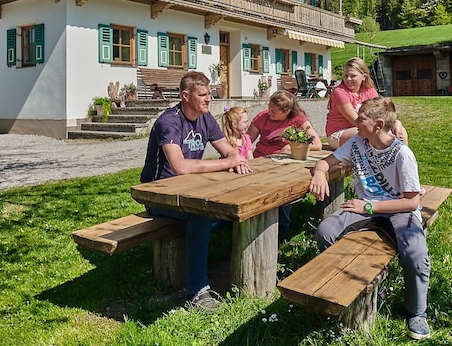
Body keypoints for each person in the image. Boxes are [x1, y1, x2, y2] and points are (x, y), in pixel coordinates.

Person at [310, 97, 430, 340]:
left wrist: (369, 206)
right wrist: (320, 173)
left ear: (378, 124)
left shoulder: (402, 154)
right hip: (365, 208)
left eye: (361, 120)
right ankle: (346, 287)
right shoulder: (357, 141)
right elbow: (325, 162)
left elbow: (412, 202)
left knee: (416, 253)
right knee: (326, 231)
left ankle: (416, 313)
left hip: (397, 211)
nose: (355, 123)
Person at [140, 71, 251, 312]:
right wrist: (227, 163)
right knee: (201, 213)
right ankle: (197, 292)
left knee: (236, 202)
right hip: (159, 195)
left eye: (209, 94)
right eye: (202, 95)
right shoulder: (168, 121)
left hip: (191, 190)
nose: (208, 99)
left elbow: (230, 150)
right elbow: (179, 167)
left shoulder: (206, 117)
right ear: (185, 96)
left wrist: (235, 159)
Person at [247, 90, 322, 240]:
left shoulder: (298, 118)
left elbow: (317, 143)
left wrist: (292, 146)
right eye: (269, 108)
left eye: (274, 111)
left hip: (284, 163)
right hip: (262, 160)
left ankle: (281, 227)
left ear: (286, 111)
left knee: (283, 188)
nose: (269, 113)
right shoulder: (262, 117)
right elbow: (248, 141)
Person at [326, 57, 408, 149]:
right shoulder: (339, 92)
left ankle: (402, 158)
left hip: (365, 127)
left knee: (400, 131)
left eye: (353, 76)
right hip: (340, 133)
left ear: (364, 77)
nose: (348, 79)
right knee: (371, 134)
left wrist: (395, 123)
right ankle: (384, 159)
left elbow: (381, 112)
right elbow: (356, 121)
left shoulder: (369, 90)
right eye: (345, 76)